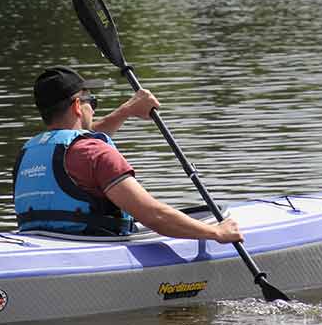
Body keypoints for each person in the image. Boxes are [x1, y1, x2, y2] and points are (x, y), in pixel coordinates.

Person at [13, 66, 244, 242]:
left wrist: (126, 111)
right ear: (76, 105)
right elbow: (154, 216)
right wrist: (216, 232)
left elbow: (80, 139)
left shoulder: (28, 154)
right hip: (98, 249)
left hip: (48, 245)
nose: (93, 108)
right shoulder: (96, 154)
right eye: (91, 101)